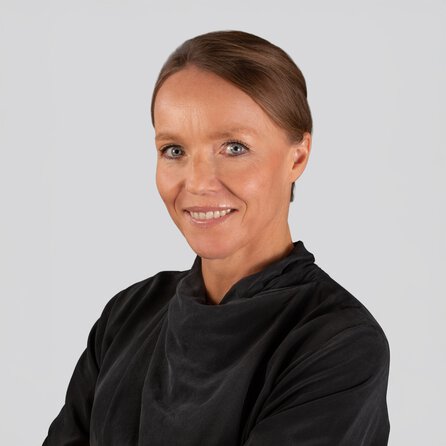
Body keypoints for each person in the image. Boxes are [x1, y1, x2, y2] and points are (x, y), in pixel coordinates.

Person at [43, 30, 390, 445]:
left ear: (297, 157)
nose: (197, 183)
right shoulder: (128, 316)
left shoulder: (338, 343)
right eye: (174, 150)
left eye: (234, 147)